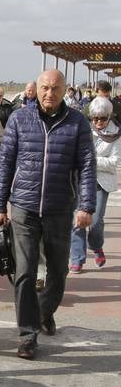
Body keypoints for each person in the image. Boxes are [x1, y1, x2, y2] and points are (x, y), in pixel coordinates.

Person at [0, 70, 97, 360]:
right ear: (36, 89)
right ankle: (27, 335)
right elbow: (5, 164)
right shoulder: (19, 119)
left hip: (60, 208)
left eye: (55, 88)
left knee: (58, 271)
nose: (49, 93)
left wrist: (86, 206)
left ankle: (44, 310)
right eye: (44, 88)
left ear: (65, 91)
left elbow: (87, 166)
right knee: (24, 272)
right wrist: (0, 206)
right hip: (24, 208)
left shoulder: (77, 123)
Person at [70, 97, 121, 272]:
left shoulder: (116, 134)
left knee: (96, 221)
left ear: (108, 117)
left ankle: (96, 246)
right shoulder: (82, 129)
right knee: (77, 220)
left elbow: (115, 162)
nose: (98, 122)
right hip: (80, 180)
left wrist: (91, 160)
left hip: (101, 183)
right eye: (95, 118)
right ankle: (77, 258)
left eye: (102, 118)